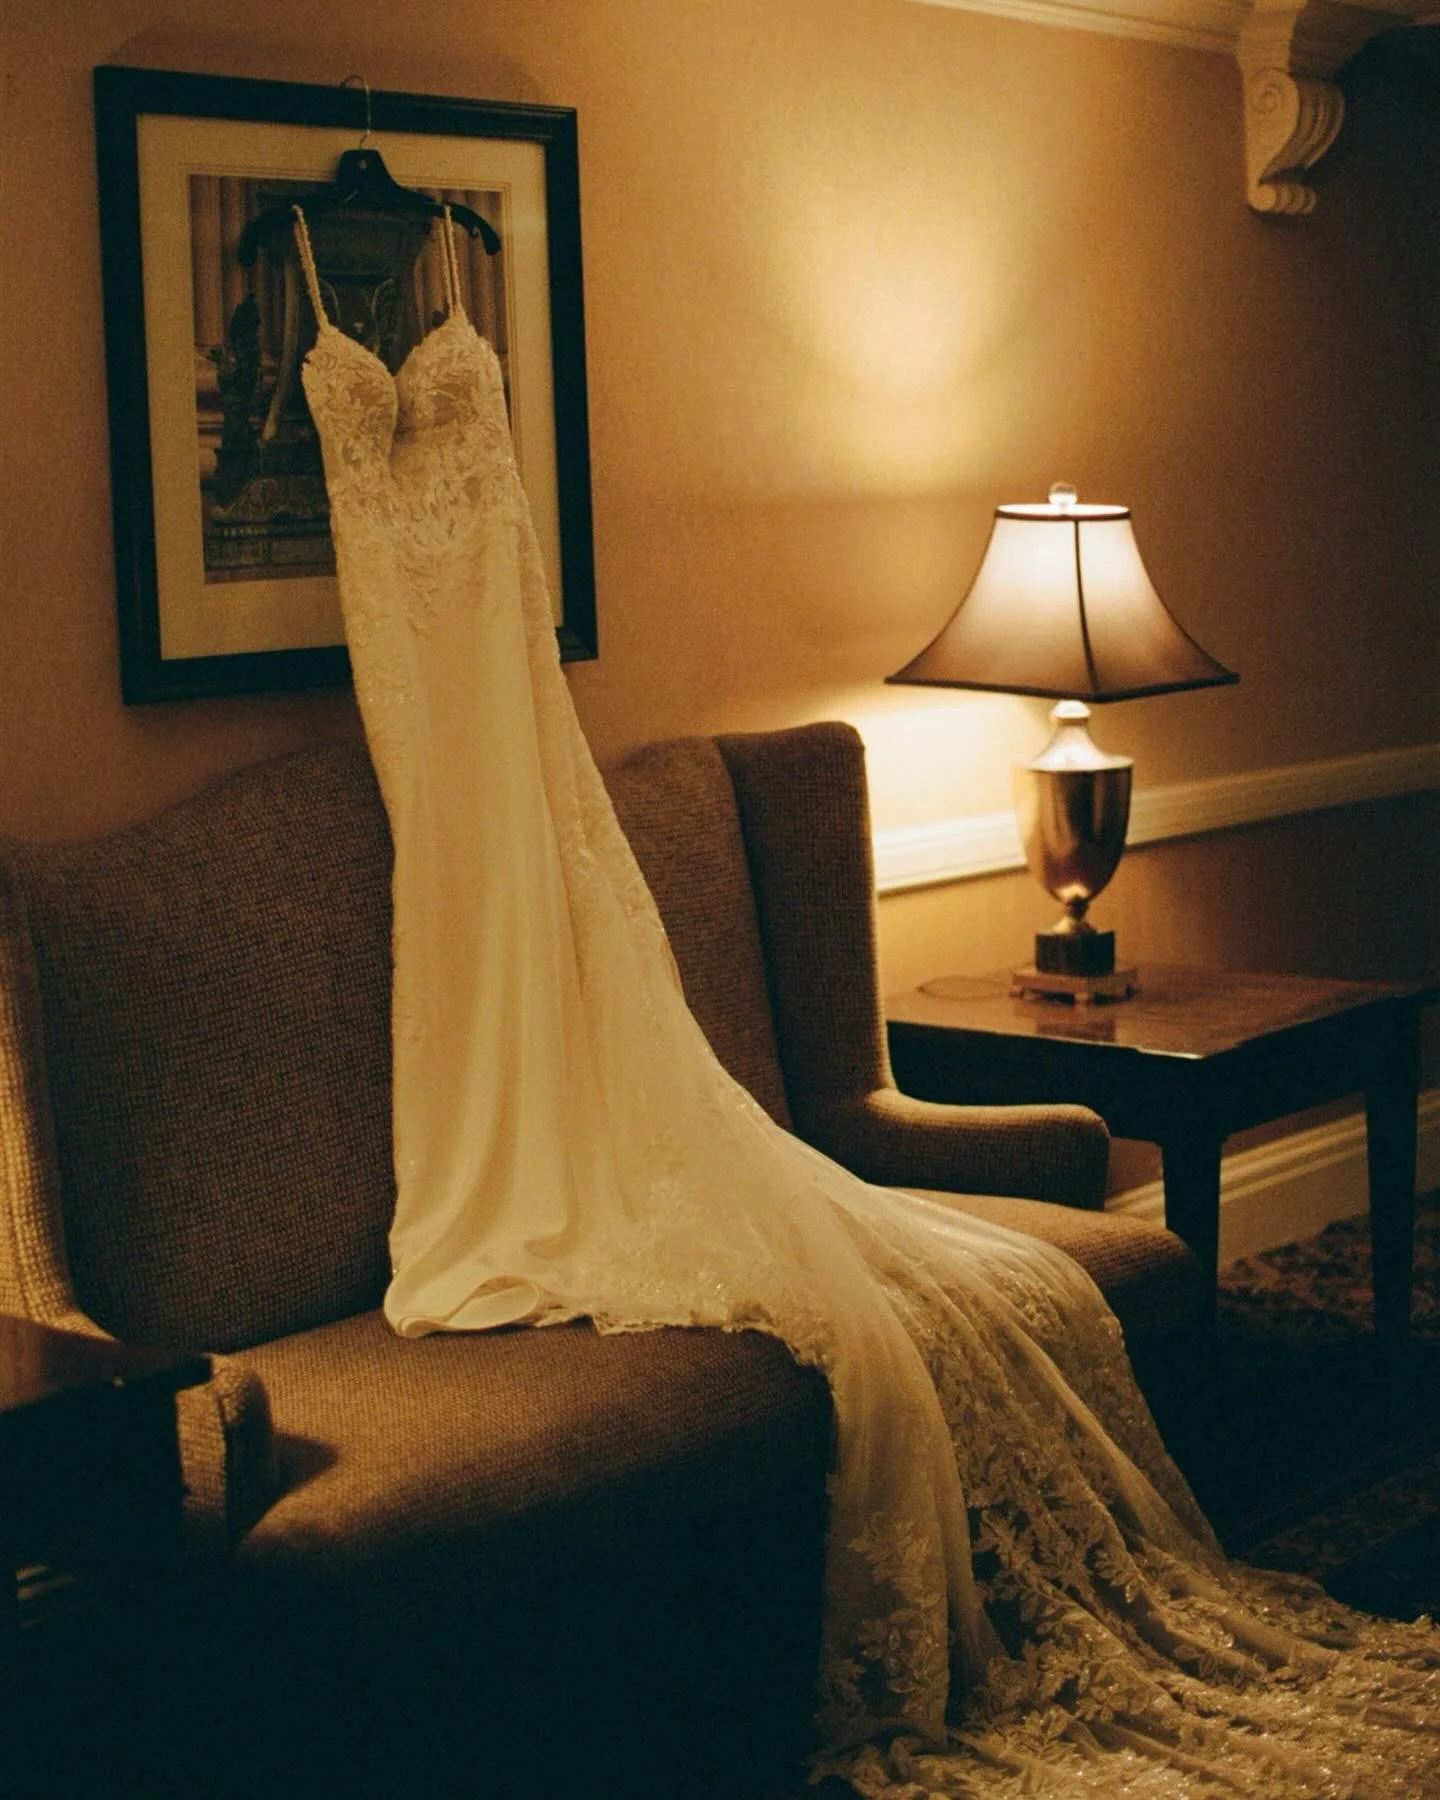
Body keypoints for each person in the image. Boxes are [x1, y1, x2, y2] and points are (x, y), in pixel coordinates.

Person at [291, 205, 1440, 1798]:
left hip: (510, 723)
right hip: (434, 752)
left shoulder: (452, 257)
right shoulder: (361, 279)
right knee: (490, 1009)